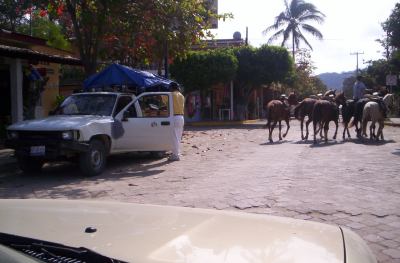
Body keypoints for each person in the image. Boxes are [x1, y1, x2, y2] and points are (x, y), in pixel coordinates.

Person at [169, 82, 185, 161]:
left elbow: (164, 101)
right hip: (181, 117)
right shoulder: (181, 95)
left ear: (172, 88)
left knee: (174, 137)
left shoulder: (171, 94)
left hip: (175, 117)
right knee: (178, 137)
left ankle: (175, 155)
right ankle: (177, 153)